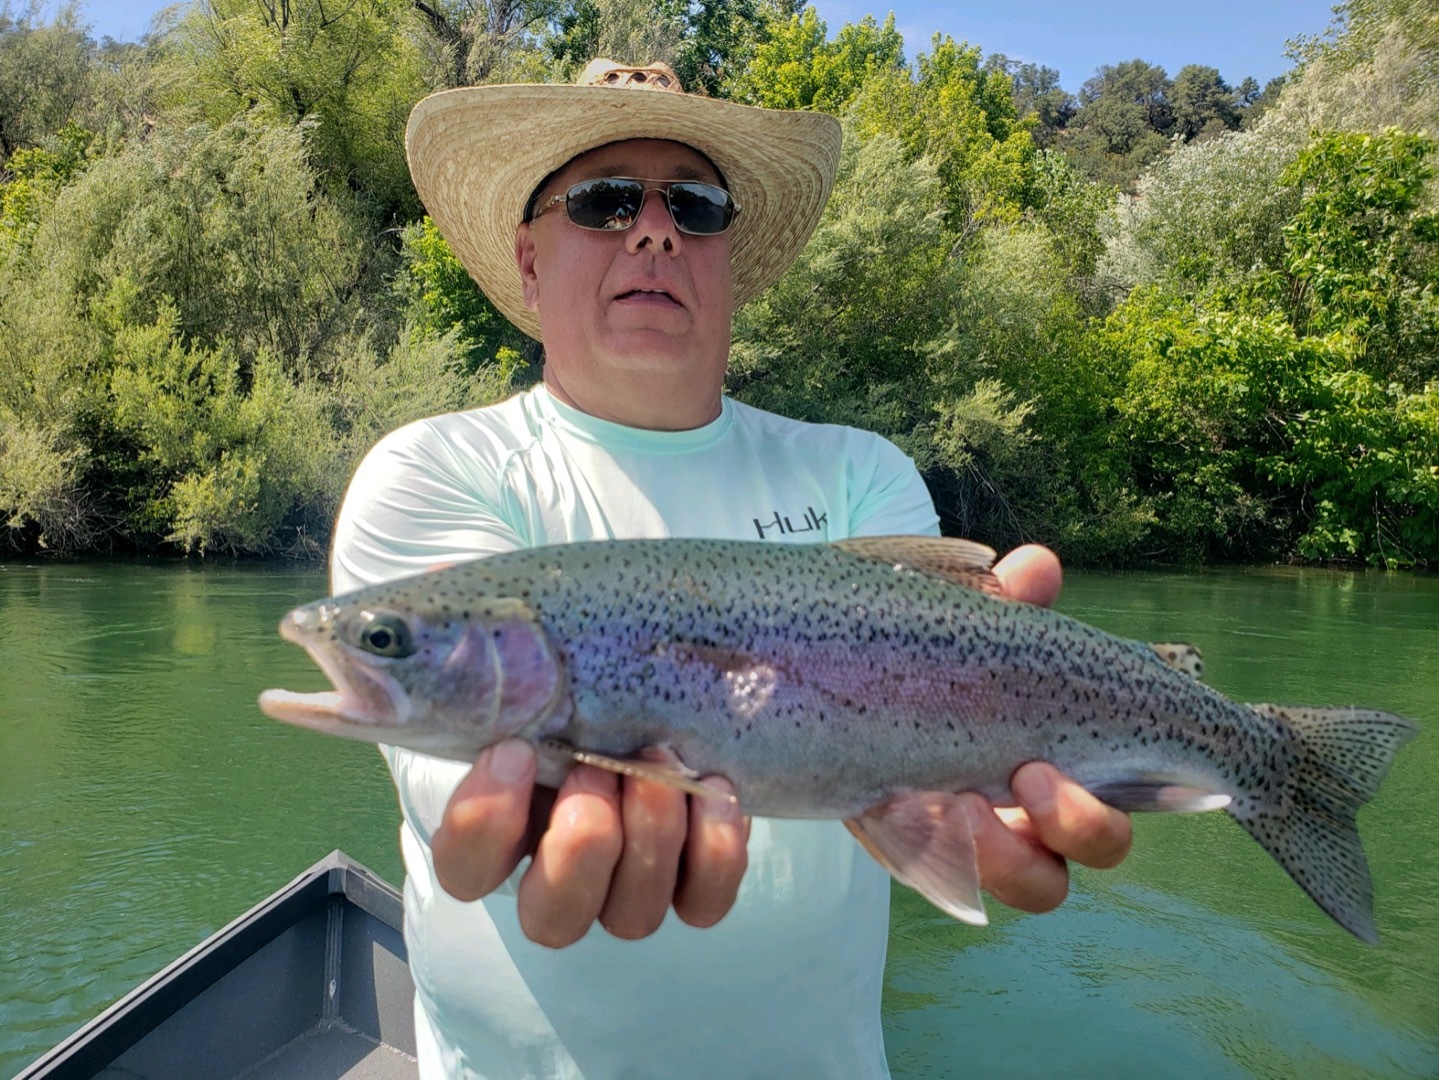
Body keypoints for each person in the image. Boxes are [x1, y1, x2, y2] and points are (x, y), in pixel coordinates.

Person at [329, 59, 1132, 1079]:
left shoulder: (858, 472)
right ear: (530, 262)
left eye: (694, 206)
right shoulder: (433, 470)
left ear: (727, 260)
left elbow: (924, 763)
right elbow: (461, 765)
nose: (654, 228)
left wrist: (977, 790)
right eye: (606, 199)